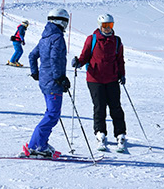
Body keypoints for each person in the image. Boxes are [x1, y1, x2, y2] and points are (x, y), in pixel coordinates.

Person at [72, 13, 127, 151]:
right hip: (95, 79)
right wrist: (78, 63)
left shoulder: (117, 41)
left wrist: (122, 74)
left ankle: (120, 133)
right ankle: (100, 133)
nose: (108, 28)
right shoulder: (92, 39)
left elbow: (120, 60)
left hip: (112, 79)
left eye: (110, 25)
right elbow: (85, 56)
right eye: (105, 25)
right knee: (99, 107)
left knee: (116, 107)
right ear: (100, 26)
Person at [24, 8, 70, 157]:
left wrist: (35, 73)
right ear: (60, 21)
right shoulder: (57, 38)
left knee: (50, 113)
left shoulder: (45, 37)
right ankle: (37, 145)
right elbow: (55, 59)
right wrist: (60, 78)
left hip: (45, 81)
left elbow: (32, 55)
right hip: (53, 82)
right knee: (52, 115)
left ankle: (40, 143)